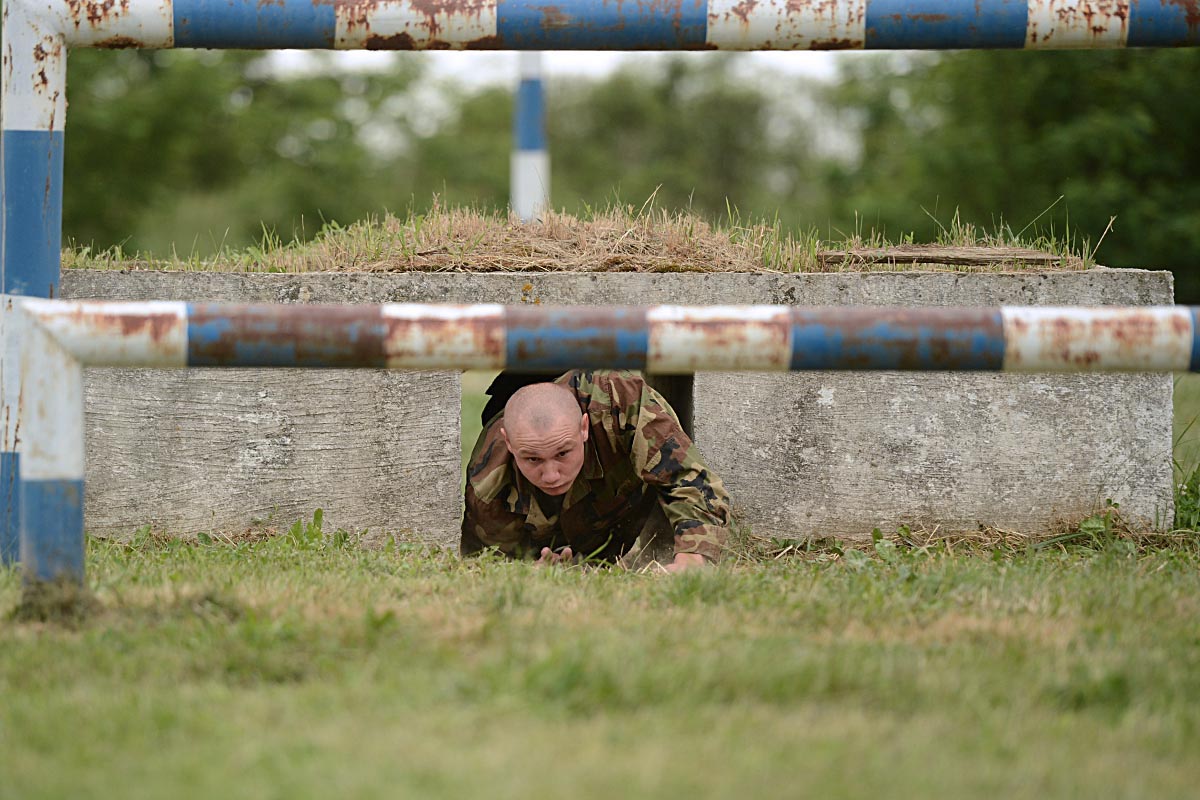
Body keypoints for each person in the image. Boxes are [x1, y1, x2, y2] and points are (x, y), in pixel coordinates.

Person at [461, 369, 733, 572]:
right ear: (509, 443)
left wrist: (692, 558)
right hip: (556, 533)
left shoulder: (620, 403)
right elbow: (483, 562)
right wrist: (529, 571)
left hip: (614, 513)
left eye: (562, 453)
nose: (551, 475)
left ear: (583, 428)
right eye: (533, 459)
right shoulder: (489, 482)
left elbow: (687, 478)